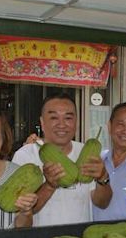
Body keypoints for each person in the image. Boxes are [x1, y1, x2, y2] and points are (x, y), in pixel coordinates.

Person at [12, 93, 111, 226]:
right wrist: (49, 185)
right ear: (42, 122)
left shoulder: (86, 152)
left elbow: (102, 203)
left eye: (68, 118)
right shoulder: (25, 156)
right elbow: (21, 212)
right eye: (54, 117)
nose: (62, 124)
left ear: (76, 122)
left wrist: (103, 178)